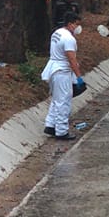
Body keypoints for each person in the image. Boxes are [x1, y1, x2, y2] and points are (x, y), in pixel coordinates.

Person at [41, 10, 85, 140]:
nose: (78, 28)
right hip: (62, 72)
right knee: (63, 101)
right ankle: (61, 131)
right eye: (77, 24)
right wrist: (79, 77)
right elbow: (71, 59)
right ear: (70, 24)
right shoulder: (68, 39)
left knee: (56, 99)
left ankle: (50, 124)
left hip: (53, 70)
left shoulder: (57, 33)